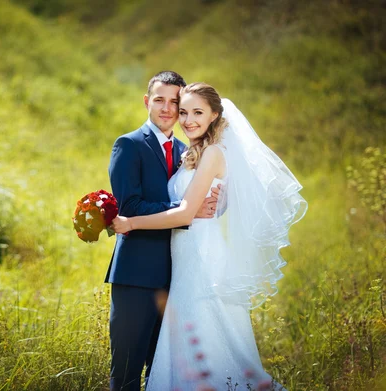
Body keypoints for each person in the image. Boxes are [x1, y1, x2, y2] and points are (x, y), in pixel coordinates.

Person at [112, 82, 307, 390]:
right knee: (192, 342)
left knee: (208, 339)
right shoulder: (193, 152)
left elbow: (186, 213)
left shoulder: (213, 153)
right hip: (186, 258)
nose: (188, 120)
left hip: (202, 258)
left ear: (216, 115)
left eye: (198, 113)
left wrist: (130, 223)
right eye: (185, 112)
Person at [106, 72, 221, 391]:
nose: (169, 109)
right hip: (137, 276)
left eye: (176, 102)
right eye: (160, 100)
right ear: (147, 101)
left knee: (165, 375)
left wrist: (210, 205)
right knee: (127, 372)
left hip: (178, 279)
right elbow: (128, 206)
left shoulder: (189, 150)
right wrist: (186, 207)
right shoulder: (128, 145)